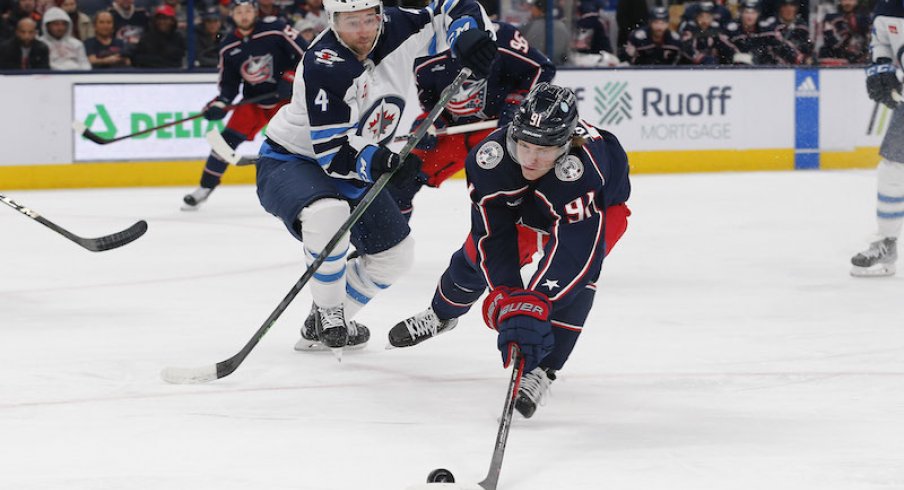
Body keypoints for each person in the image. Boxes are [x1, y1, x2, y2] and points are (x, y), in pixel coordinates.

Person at [254, 0, 497, 353]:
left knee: (395, 256)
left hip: (356, 162)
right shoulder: (326, 64)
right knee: (327, 215)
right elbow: (334, 152)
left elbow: (454, 6)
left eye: (370, 18)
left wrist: (467, 35)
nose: (364, 30)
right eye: (352, 22)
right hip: (294, 160)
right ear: (332, 21)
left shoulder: (397, 26)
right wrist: (384, 161)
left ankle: (320, 326)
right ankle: (329, 312)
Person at [388, 83, 631, 419]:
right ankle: (441, 315)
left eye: (544, 150)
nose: (531, 159)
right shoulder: (491, 158)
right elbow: (492, 237)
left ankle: (542, 370)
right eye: (525, 145)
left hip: (601, 206)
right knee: (474, 258)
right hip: (531, 205)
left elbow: (575, 253)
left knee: (577, 284)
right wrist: (508, 298)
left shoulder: (583, 168)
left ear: (565, 144)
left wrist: (537, 303)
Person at [388, 20, 555, 221]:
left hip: (499, 129)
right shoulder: (421, 51)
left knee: (517, 190)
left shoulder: (499, 37)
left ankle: (529, 238)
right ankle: (390, 247)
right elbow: (431, 105)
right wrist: (431, 124)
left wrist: (516, 103)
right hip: (455, 132)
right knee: (400, 181)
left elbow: (542, 68)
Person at [182, 0, 305, 209]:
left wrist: (291, 77)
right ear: (232, 15)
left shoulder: (276, 29)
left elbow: (308, 55)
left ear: (256, 12)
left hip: (286, 101)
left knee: (300, 145)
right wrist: (220, 103)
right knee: (224, 142)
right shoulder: (228, 45)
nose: (244, 15)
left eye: (248, 10)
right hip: (253, 103)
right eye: (239, 12)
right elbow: (229, 86)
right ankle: (204, 188)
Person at [850, 0, 904, 277]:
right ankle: (886, 242)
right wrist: (880, 66)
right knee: (893, 166)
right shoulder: (888, 5)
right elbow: (881, 39)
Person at [723, 0, 799, 65]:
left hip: (765, 69)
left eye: (753, 13)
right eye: (746, 12)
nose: (749, 17)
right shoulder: (731, 30)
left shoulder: (766, 30)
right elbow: (723, 48)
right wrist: (738, 55)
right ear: (741, 14)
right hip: (737, 70)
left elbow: (783, 47)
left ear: (758, 14)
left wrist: (795, 57)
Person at [818, 0, 870, 65]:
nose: (847, 2)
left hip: (858, 58)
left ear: (856, 1)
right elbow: (831, 42)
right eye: (844, 0)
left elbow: (868, 39)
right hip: (836, 57)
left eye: (851, 0)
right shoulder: (831, 18)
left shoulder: (864, 19)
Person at [520, 0, 569, 64]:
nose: (531, 10)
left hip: (533, 67)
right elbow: (566, 54)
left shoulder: (529, 26)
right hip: (559, 67)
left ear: (538, 10)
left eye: (533, 8)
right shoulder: (563, 27)